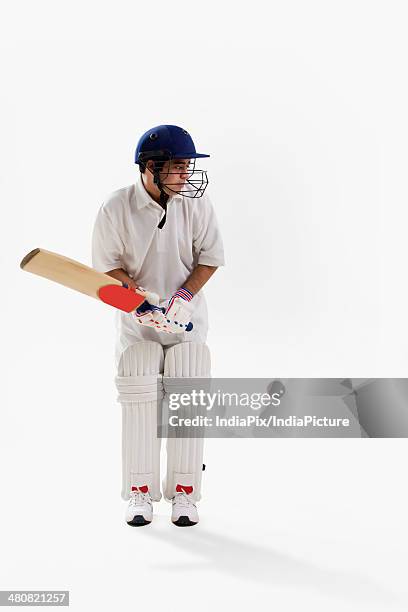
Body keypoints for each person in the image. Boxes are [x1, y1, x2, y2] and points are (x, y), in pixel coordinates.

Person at [92, 125, 225, 526]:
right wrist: (134, 301)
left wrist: (183, 298)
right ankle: (139, 493)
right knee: (140, 405)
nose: (187, 174)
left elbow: (210, 257)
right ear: (151, 167)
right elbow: (106, 267)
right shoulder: (115, 208)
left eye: (189, 165)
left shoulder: (195, 205)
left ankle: (185, 493)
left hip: (186, 326)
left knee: (187, 401)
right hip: (138, 326)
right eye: (179, 166)